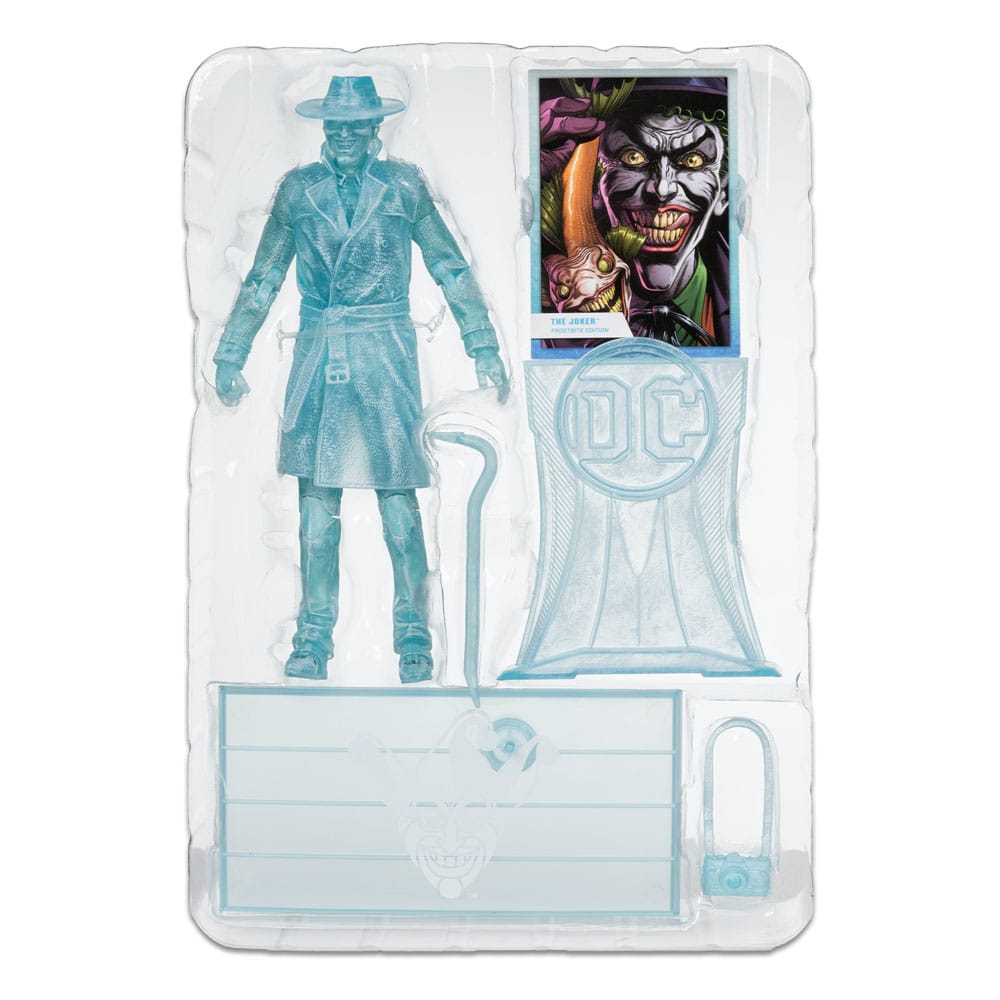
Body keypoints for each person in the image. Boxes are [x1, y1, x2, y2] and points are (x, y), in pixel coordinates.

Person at [213, 76, 508, 684]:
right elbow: (264, 277)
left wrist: (482, 344)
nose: (345, 136)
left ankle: (414, 637)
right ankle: (312, 638)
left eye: (356, 125)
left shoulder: (403, 185)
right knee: (316, 514)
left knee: (399, 507)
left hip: (385, 358)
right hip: (319, 357)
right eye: (336, 125)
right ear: (324, 128)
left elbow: (450, 267)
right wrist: (231, 352)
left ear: (376, 127)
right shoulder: (298, 190)